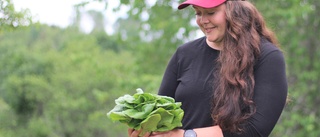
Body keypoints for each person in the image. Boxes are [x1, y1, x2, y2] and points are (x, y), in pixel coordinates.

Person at [128, 0, 288, 136]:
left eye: (211, 13)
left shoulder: (267, 57)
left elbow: (256, 129)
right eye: (198, 13)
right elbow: (162, 114)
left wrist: (187, 135)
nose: (203, 20)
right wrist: (147, 130)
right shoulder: (184, 54)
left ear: (235, 11)